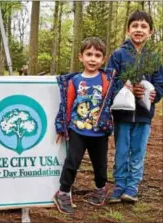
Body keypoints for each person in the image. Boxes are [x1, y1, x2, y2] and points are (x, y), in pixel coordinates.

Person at [54, 37, 115, 214]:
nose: (92, 58)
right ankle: (63, 192)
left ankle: (101, 189)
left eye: (97, 55)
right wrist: (61, 126)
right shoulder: (73, 81)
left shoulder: (107, 80)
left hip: (99, 132)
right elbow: (66, 105)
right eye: (89, 54)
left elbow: (118, 92)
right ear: (81, 57)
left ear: (103, 59)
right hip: (77, 130)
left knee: (100, 165)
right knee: (72, 162)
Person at [107, 10, 163, 203]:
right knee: (122, 150)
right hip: (122, 114)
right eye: (135, 26)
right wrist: (125, 88)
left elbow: (160, 82)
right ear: (128, 30)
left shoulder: (153, 58)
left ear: (151, 32)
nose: (139, 30)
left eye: (143, 26)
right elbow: (109, 81)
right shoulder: (118, 54)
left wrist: (155, 94)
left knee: (139, 150)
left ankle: (132, 187)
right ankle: (119, 185)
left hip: (144, 115)